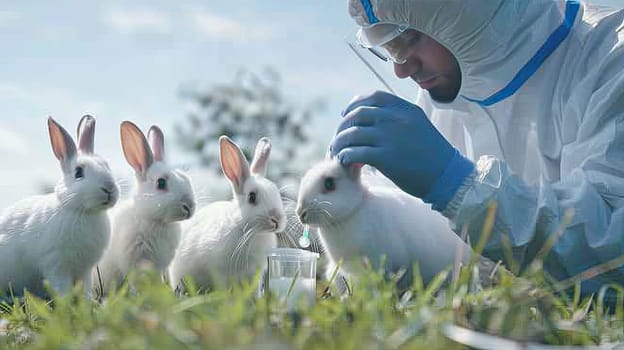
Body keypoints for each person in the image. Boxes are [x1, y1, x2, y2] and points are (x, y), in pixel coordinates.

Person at [330, 0, 624, 297]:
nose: (401, 70)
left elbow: (614, 255)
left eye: (407, 39)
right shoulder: (441, 100)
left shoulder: (611, 60)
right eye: (390, 48)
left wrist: (461, 187)